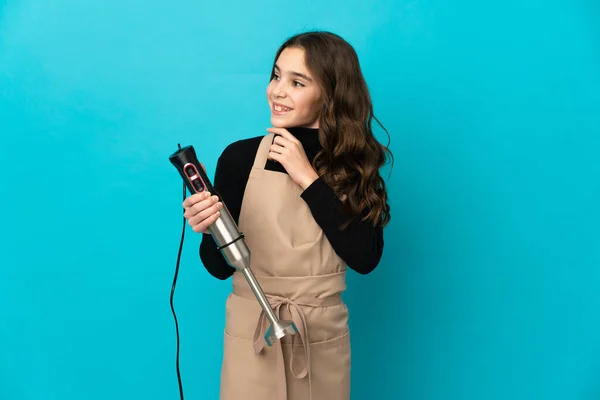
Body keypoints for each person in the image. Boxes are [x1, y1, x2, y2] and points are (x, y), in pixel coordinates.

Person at [182, 30, 393, 400]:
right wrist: (207, 227)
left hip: (320, 338)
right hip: (252, 335)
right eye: (276, 75)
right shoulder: (239, 159)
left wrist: (308, 178)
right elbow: (218, 268)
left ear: (331, 92)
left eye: (297, 82)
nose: (277, 91)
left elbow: (365, 258)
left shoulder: (355, 165)